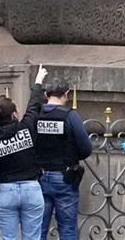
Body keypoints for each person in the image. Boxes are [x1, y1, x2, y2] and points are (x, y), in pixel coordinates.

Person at [0, 65, 49, 240]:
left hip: (5, 192)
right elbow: (34, 106)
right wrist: (38, 81)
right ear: (14, 115)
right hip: (31, 189)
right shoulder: (26, 128)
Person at [32, 74, 93, 240]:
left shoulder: (35, 115)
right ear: (66, 94)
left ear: (46, 95)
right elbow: (86, 148)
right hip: (65, 177)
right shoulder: (70, 116)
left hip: (39, 177)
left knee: (38, 229)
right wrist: (72, 156)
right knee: (67, 229)